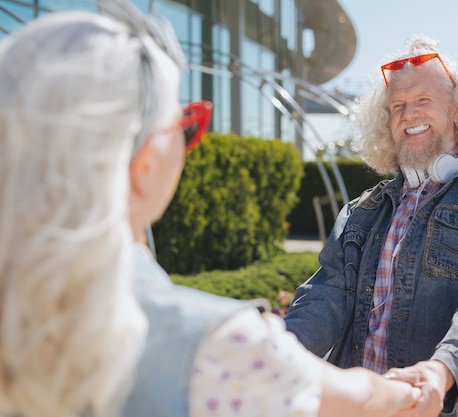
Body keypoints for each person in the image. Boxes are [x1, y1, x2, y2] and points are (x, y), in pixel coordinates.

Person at [0, 2, 421, 417]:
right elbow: (358, 400)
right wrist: (416, 387)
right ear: (143, 166)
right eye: (185, 125)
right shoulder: (219, 347)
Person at [284, 35, 458, 417]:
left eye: (423, 100)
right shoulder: (362, 210)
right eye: (397, 106)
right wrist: (274, 356)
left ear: (457, 110)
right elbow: (324, 298)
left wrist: (441, 371)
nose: (408, 114)